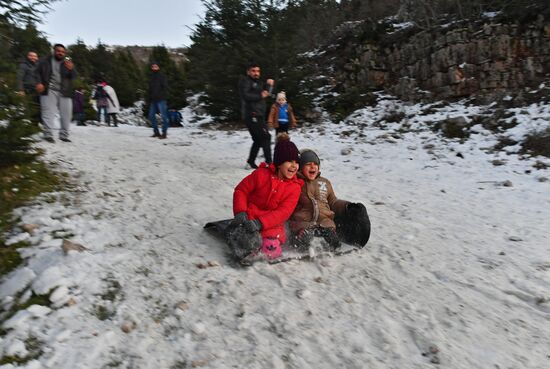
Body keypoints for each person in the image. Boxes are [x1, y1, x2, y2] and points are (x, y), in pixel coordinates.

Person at [226, 133, 303, 261]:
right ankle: (236, 236)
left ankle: (253, 246)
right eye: (289, 161)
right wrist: (240, 211)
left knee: (270, 250)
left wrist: (261, 223)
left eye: (296, 162)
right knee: (247, 240)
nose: (294, 166)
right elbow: (241, 190)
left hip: (271, 226)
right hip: (249, 218)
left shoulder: (294, 188)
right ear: (279, 163)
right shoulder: (261, 174)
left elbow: (283, 212)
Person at [289, 149, 370, 249]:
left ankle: (332, 240)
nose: (313, 166)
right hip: (303, 221)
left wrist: (347, 206)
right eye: (308, 164)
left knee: (330, 231)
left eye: (315, 164)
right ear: (300, 168)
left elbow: (333, 201)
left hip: (324, 221)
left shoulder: (325, 183)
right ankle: (300, 240)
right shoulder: (295, 183)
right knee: (303, 233)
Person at [35, 44, 76, 142]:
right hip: (49, 90)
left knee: (67, 114)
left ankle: (64, 135)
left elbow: (74, 76)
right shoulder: (45, 61)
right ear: (53, 51)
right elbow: (36, 72)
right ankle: (48, 134)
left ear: (65, 53)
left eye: (62, 52)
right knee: (48, 112)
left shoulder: (67, 62)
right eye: (58, 51)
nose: (60, 53)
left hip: (64, 91)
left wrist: (71, 69)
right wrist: (39, 83)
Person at [238, 63, 274, 169]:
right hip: (252, 114)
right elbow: (246, 95)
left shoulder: (258, 83)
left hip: (259, 114)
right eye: (253, 71)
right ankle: (269, 163)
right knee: (266, 137)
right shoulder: (245, 81)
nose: (256, 73)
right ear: (248, 72)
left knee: (258, 139)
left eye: (258, 71)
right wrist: (260, 95)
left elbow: (267, 94)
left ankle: (250, 162)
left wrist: (269, 85)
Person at [16, 51, 40, 124]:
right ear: (28, 56)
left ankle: (35, 124)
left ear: (37, 58)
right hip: (27, 90)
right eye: (31, 56)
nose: (33, 57)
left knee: (37, 108)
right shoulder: (23, 65)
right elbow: (19, 77)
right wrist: (20, 89)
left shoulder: (38, 65)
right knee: (29, 108)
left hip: (37, 90)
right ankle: (30, 124)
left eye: (35, 56)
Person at [147, 62, 169, 139]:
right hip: (153, 100)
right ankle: (156, 132)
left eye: (156, 66)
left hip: (161, 99)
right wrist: (149, 97)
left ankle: (164, 133)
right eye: (153, 67)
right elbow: (150, 89)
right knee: (151, 116)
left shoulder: (162, 76)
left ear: (158, 67)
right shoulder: (151, 77)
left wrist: (161, 95)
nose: (154, 68)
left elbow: (165, 87)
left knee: (164, 116)